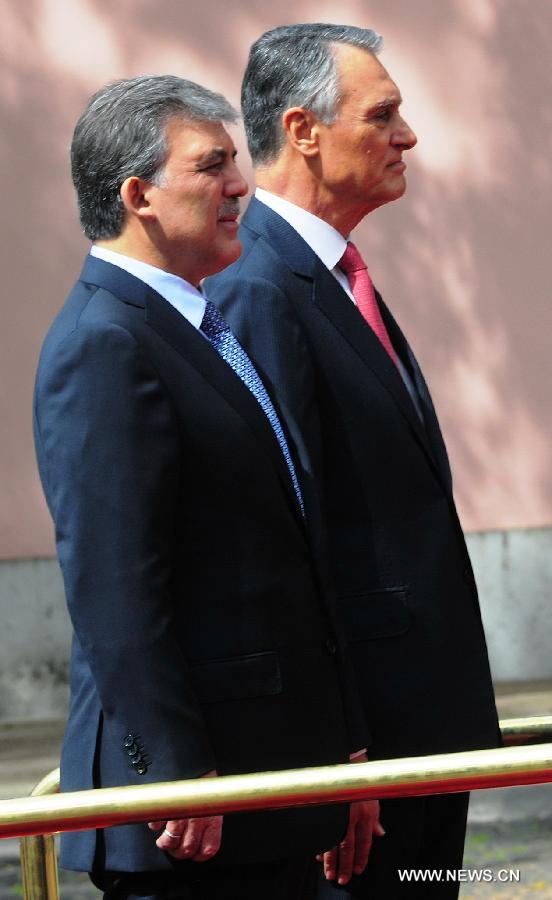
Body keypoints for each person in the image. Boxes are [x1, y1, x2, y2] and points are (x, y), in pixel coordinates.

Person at [33, 74, 369, 900]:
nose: (240, 186)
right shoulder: (106, 342)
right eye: (212, 165)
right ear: (138, 194)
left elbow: (280, 552)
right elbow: (114, 586)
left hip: (268, 783)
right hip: (192, 818)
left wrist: (342, 746)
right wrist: (181, 771)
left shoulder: (196, 320)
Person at [206, 24, 501, 899]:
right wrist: (341, 751)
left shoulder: (330, 271)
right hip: (366, 756)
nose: (407, 136)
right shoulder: (257, 283)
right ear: (303, 130)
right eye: (384, 115)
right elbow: (282, 536)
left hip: (421, 732)